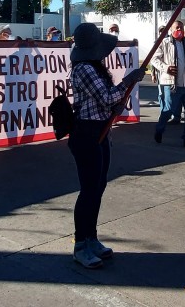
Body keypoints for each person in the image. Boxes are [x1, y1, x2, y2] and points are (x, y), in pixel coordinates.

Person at [68, 23, 146, 267]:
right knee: (89, 190)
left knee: (98, 188)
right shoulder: (84, 70)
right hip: (86, 134)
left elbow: (106, 101)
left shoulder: (94, 67)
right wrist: (128, 82)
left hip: (99, 131)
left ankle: (91, 238)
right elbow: (107, 96)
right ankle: (81, 244)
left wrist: (116, 105)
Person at [150, 20, 185, 148]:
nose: (179, 30)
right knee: (168, 111)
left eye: (181, 28)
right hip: (172, 84)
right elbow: (154, 59)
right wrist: (165, 67)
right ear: (171, 30)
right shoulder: (165, 43)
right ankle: (159, 130)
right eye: (177, 28)